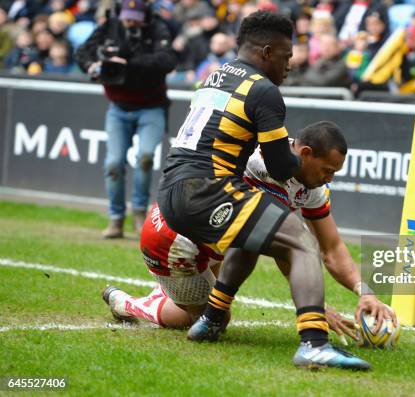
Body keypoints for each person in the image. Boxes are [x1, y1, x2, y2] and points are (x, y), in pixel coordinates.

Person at [155, 11, 371, 370]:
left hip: (172, 190)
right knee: (300, 239)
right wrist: (296, 163)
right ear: (268, 52)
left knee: (257, 230)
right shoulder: (264, 91)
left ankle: (211, 316)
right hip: (206, 188)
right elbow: (279, 165)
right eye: (286, 57)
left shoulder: (216, 75)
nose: (289, 65)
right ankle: (314, 343)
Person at [103, 121, 395, 337]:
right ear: (305, 153)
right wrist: (313, 307)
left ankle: (177, 289)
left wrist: (365, 292)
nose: (329, 179)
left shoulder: (311, 185)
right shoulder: (261, 164)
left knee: (248, 244)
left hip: (214, 239)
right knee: (207, 318)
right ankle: (130, 304)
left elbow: (332, 248)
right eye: (327, 171)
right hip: (172, 239)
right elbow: (286, 248)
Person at [76, 0, 177, 238]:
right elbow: (82, 52)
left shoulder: (158, 28)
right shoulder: (109, 26)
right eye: (127, 16)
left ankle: (139, 211)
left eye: (136, 17)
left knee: (145, 157)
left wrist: (128, 65)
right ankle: (116, 218)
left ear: (145, 15)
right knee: (113, 163)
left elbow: (167, 61)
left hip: (151, 107)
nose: (131, 21)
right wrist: (91, 66)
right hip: (118, 107)